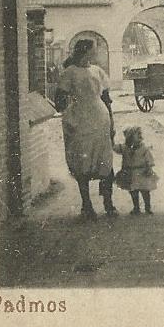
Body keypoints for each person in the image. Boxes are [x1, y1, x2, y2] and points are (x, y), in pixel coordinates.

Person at [53, 39, 117, 218]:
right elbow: (59, 100)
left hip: (100, 119)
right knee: (83, 160)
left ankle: (108, 204)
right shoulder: (70, 73)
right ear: (86, 51)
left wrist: (112, 121)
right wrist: (70, 109)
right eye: (93, 49)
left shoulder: (98, 71)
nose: (95, 52)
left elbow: (106, 99)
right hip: (80, 121)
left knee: (105, 160)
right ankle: (87, 205)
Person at [113, 126, 159, 214]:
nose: (139, 136)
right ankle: (136, 207)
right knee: (133, 191)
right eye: (137, 135)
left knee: (145, 191)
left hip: (142, 173)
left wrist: (149, 168)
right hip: (130, 173)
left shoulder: (144, 148)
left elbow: (149, 159)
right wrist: (112, 138)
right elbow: (114, 148)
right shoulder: (124, 148)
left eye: (139, 135)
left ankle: (147, 208)